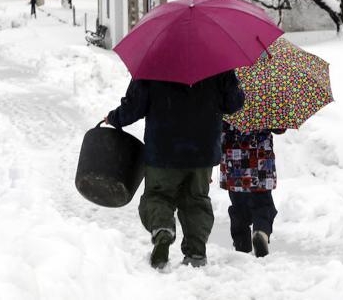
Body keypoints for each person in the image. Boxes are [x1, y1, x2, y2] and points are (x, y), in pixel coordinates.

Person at [104, 71, 244, 269]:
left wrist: (114, 118)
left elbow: (134, 107)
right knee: (196, 200)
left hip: (163, 150)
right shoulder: (217, 63)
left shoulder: (153, 63)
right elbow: (234, 103)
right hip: (202, 151)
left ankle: (162, 229)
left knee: (157, 196)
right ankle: (196, 252)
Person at [220, 121, 285, 257]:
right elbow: (280, 129)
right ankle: (260, 232)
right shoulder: (267, 100)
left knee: (238, 208)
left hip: (235, 162)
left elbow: (218, 128)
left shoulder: (229, 101)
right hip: (261, 161)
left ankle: (241, 244)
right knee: (263, 205)